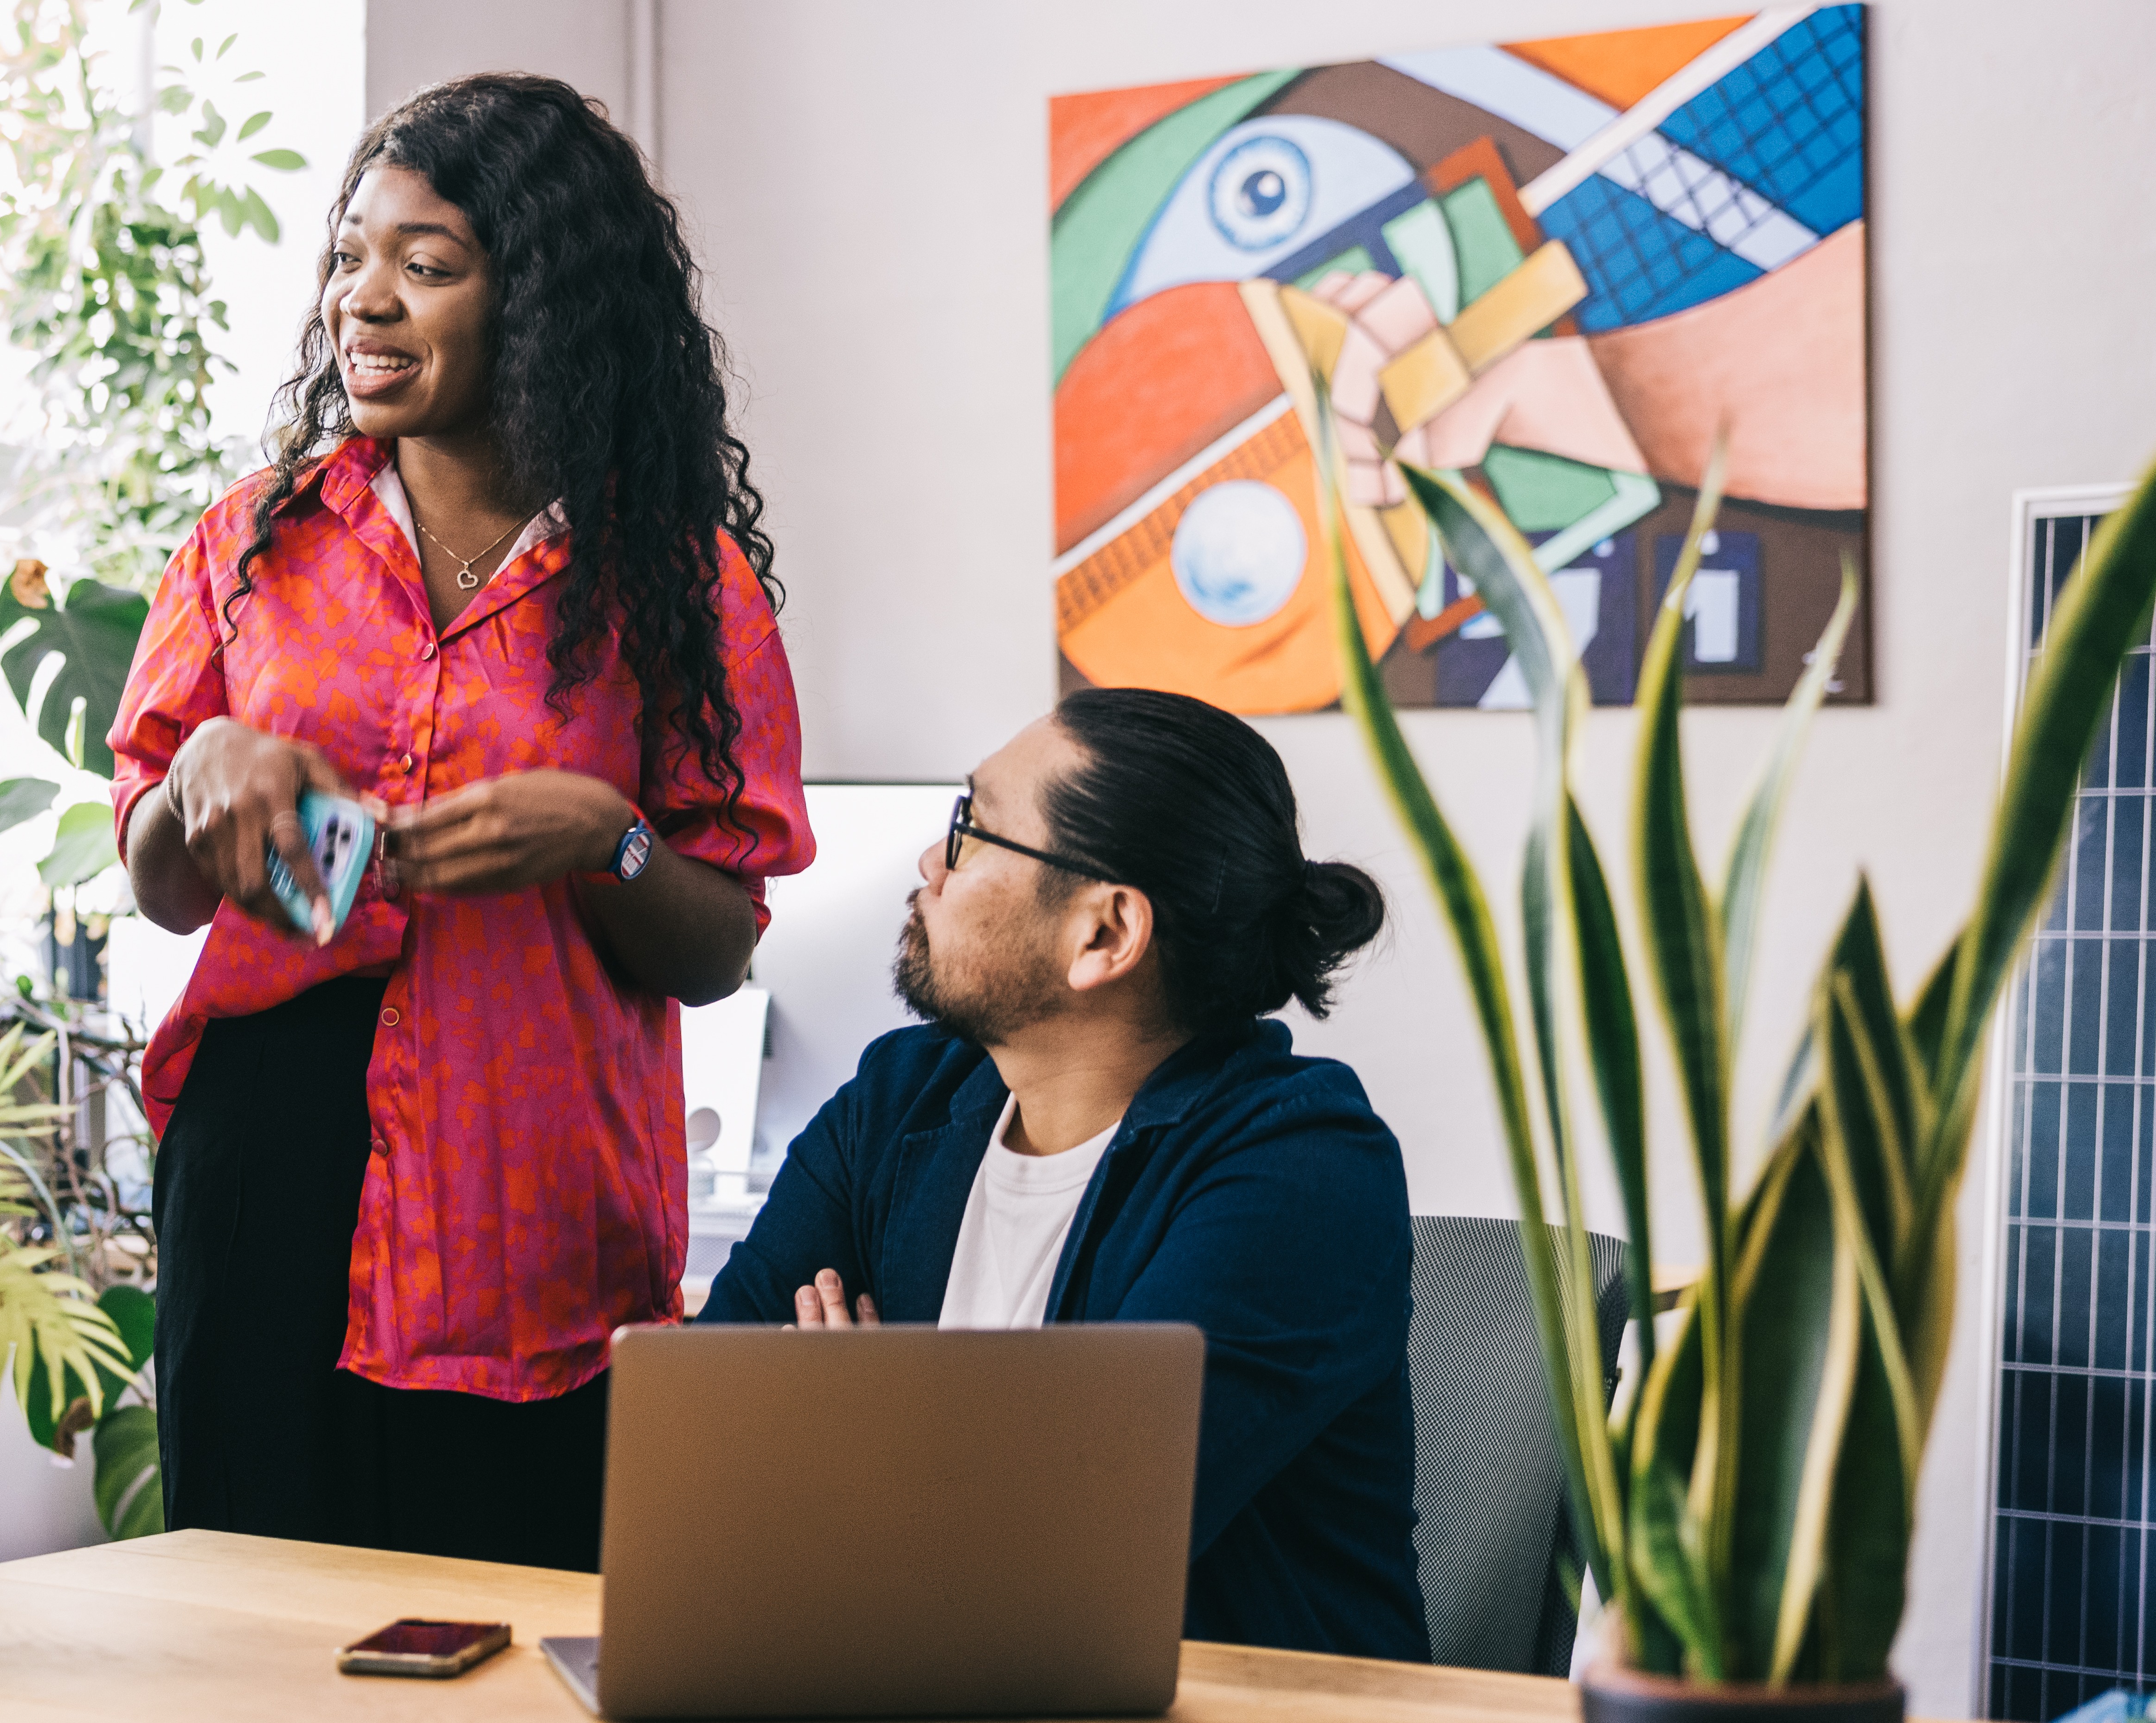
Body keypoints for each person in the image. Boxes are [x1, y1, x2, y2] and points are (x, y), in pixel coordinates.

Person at [110, 73, 814, 1574]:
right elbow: (163, 884)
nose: (365, 300)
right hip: (269, 1145)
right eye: (351, 257)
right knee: (252, 1626)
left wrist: (601, 836)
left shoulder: (677, 589)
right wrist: (203, 776)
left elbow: (717, 945)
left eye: (426, 266)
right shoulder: (253, 545)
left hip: (531, 1187)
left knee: (507, 1627)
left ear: (542, 302)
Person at [699, 688, 1429, 1662]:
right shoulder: (898, 1102)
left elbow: (1070, 1553)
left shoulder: (1304, 1172)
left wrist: (853, 1439)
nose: (930, 863)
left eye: (969, 831)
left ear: (1104, 934)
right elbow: (702, 1435)